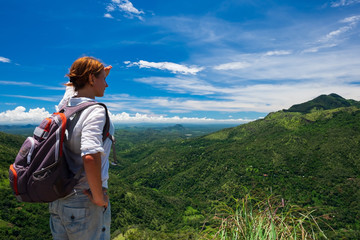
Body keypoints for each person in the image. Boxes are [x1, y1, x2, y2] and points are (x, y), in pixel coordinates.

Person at [49, 56, 114, 240]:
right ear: (92, 79)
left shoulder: (64, 109)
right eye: (104, 79)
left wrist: (94, 74)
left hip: (58, 198)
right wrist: (99, 197)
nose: (107, 85)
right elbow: (90, 155)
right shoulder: (95, 110)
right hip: (83, 201)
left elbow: (74, 91)